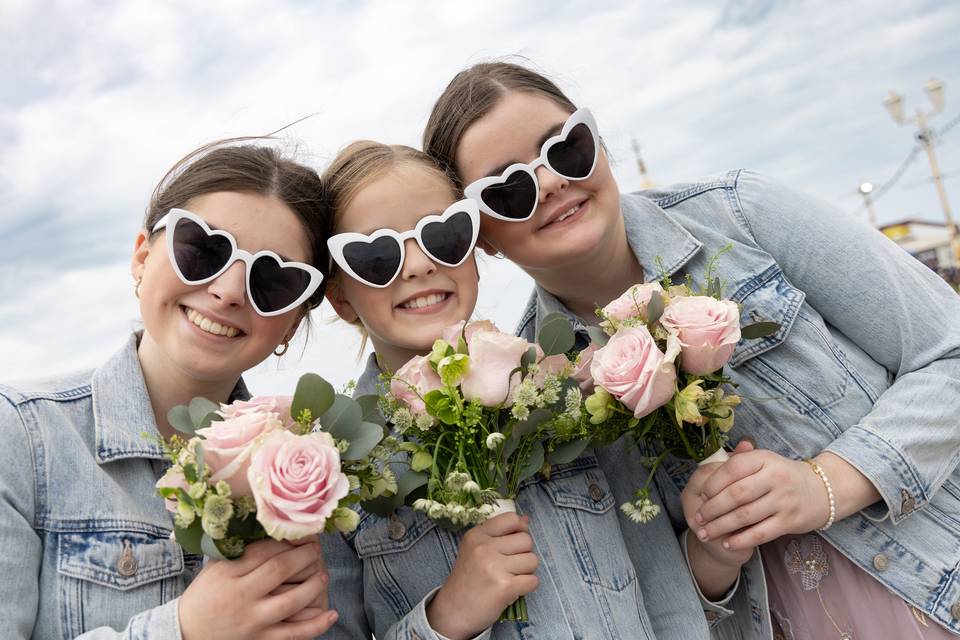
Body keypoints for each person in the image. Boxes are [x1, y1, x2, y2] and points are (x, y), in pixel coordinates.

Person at [422, 60, 960, 639]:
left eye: (565, 148)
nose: (552, 182)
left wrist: (824, 484)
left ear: (598, 142)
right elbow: (663, 602)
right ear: (483, 238)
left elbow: (949, 350)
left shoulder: (740, 214)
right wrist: (712, 556)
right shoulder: (534, 396)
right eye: (509, 189)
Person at [318, 140, 711, 639]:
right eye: (375, 256)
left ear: (475, 253)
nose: (417, 265)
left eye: (444, 235)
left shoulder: (572, 397)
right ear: (341, 299)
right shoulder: (337, 474)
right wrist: (444, 619)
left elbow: (667, 591)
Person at [0, 141, 340, 639]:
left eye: (274, 278)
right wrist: (184, 630)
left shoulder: (319, 477)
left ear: (291, 324)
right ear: (142, 258)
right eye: (203, 249)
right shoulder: (21, 437)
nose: (228, 290)